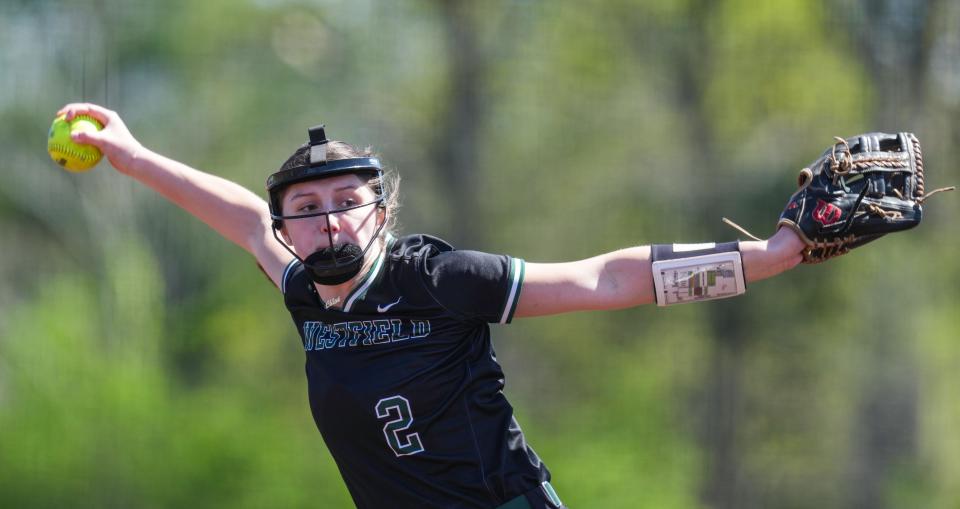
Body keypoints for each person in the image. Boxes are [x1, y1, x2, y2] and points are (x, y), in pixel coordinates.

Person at [56, 103, 804, 509]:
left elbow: (607, 280)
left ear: (383, 209)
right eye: (308, 207)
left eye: (348, 201)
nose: (330, 220)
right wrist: (134, 156)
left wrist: (768, 258)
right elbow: (247, 220)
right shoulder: (306, 296)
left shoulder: (439, 278)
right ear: (291, 228)